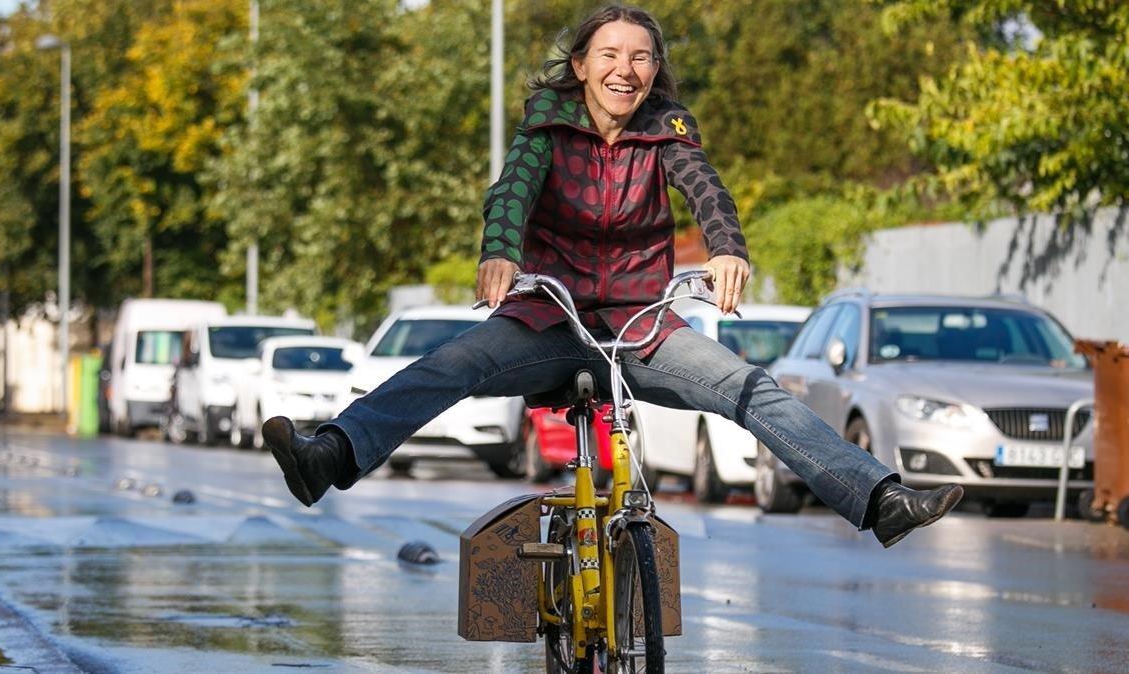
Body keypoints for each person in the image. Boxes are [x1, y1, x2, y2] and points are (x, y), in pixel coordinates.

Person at [264, 4, 962, 548]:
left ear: (655, 71)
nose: (625, 69)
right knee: (451, 362)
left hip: (641, 328)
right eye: (609, 55)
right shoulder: (547, 126)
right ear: (581, 65)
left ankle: (880, 501)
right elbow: (511, 191)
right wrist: (500, 250)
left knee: (752, 387)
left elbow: (706, 189)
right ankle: (330, 455)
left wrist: (727, 248)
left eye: (641, 58)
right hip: (549, 319)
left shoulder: (668, 130)